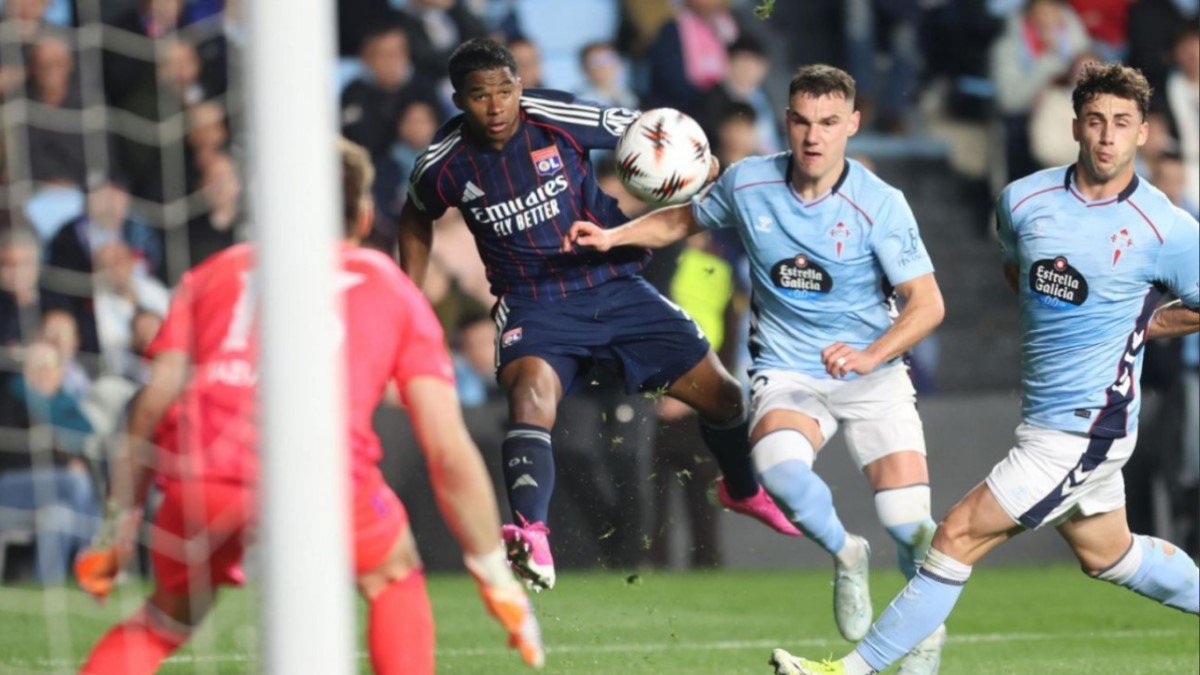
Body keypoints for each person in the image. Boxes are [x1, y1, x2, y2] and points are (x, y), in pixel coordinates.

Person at [769, 62, 1200, 675]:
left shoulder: (1167, 227)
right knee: (1110, 554)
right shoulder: (1022, 201)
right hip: (1045, 418)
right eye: (1096, 120)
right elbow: (1017, 270)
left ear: (1143, 132)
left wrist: (1144, 324)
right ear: (1075, 126)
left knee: (957, 535)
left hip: (1085, 428)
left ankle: (849, 671)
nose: (1108, 135)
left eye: (1122, 123)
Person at [75, 139, 543, 674]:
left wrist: (117, 525)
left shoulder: (214, 271)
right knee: (392, 573)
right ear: (363, 216)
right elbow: (447, 448)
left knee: (166, 619)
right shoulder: (387, 283)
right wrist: (494, 573)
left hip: (202, 474)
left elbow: (149, 406)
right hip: (321, 474)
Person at [566, 64, 947, 672]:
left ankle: (924, 631)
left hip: (872, 373)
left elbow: (927, 303)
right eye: (803, 121)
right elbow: (681, 219)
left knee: (908, 524)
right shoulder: (748, 182)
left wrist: (872, 354)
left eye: (829, 122)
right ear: (786, 120)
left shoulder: (881, 204)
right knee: (778, 472)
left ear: (852, 124)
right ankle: (847, 553)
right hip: (789, 368)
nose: (814, 136)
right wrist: (613, 238)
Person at [398, 37, 798, 592]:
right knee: (530, 398)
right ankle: (531, 533)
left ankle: (741, 488)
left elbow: (649, 130)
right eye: (479, 95)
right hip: (534, 302)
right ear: (459, 100)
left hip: (611, 283)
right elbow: (416, 215)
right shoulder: (442, 163)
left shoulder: (557, 116)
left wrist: (695, 162)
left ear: (519, 87)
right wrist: (409, 297)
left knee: (725, 397)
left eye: (504, 91)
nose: (495, 107)